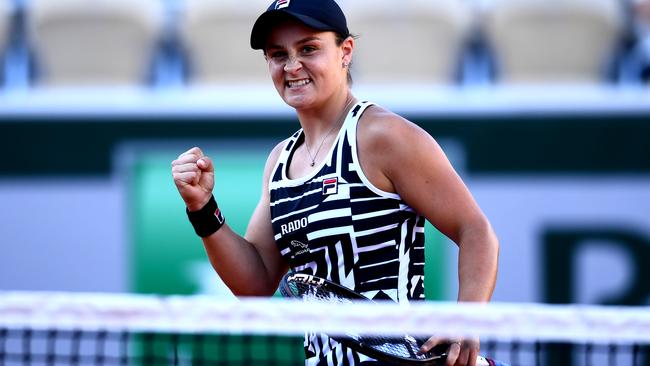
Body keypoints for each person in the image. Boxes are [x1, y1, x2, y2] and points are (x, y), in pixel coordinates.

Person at [171, 0, 500, 365]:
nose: (292, 66)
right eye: (278, 54)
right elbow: (256, 284)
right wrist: (203, 209)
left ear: (345, 52)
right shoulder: (279, 161)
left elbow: (476, 231)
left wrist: (467, 319)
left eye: (308, 48)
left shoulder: (382, 136)